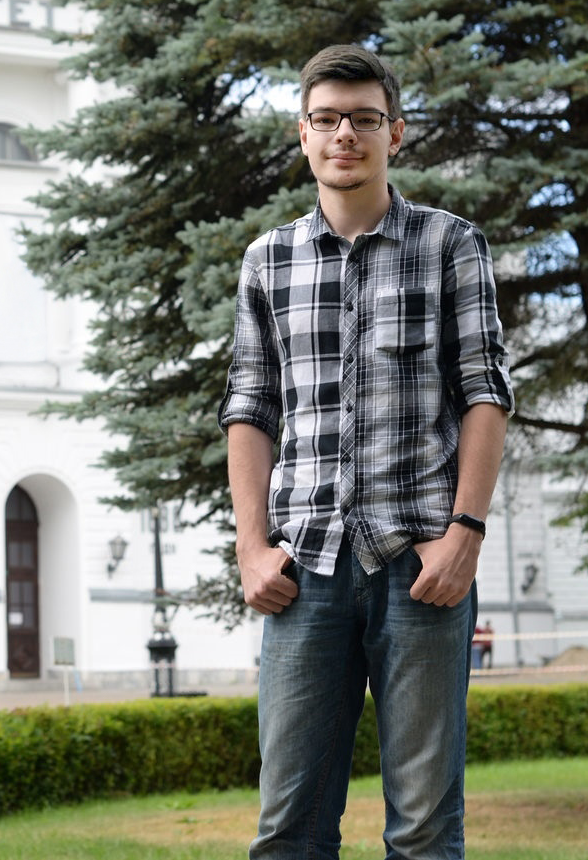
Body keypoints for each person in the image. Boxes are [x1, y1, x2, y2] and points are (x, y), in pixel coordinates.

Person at [219, 45, 513, 859]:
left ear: (397, 132)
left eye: (365, 118)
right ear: (304, 136)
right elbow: (250, 408)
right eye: (327, 119)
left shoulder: (452, 244)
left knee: (423, 830)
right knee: (288, 831)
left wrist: (465, 533)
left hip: (421, 568)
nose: (345, 133)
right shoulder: (266, 261)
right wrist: (250, 547)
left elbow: (486, 393)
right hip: (303, 573)